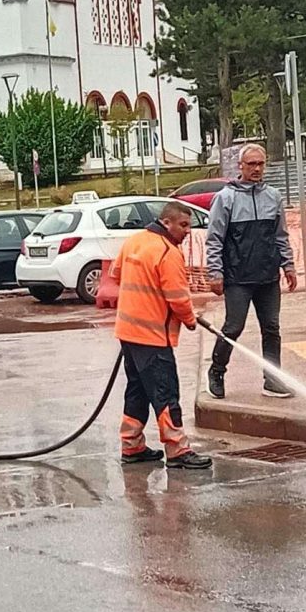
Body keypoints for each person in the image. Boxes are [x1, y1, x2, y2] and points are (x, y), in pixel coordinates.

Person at [112, 200, 212, 470]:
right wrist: (189, 320)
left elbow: (117, 274)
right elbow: (178, 297)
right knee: (165, 392)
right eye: (183, 225)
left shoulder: (134, 241)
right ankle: (178, 450)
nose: (187, 231)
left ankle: (131, 446)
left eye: (189, 226)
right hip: (153, 336)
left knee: (138, 390)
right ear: (166, 223)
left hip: (128, 332)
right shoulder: (168, 252)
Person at [205, 143, 297, 400]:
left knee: (272, 328)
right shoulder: (226, 198)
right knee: (234, 326)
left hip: (268, 276)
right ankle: (216, 371)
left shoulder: (273, 196)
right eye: (251, 164)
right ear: (241, 166)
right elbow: (214, 239)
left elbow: (280, 235)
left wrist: (288, 265)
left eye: (260, 164)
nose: (256, 168)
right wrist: (215, 273)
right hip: (238, 278)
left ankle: (272, 380)